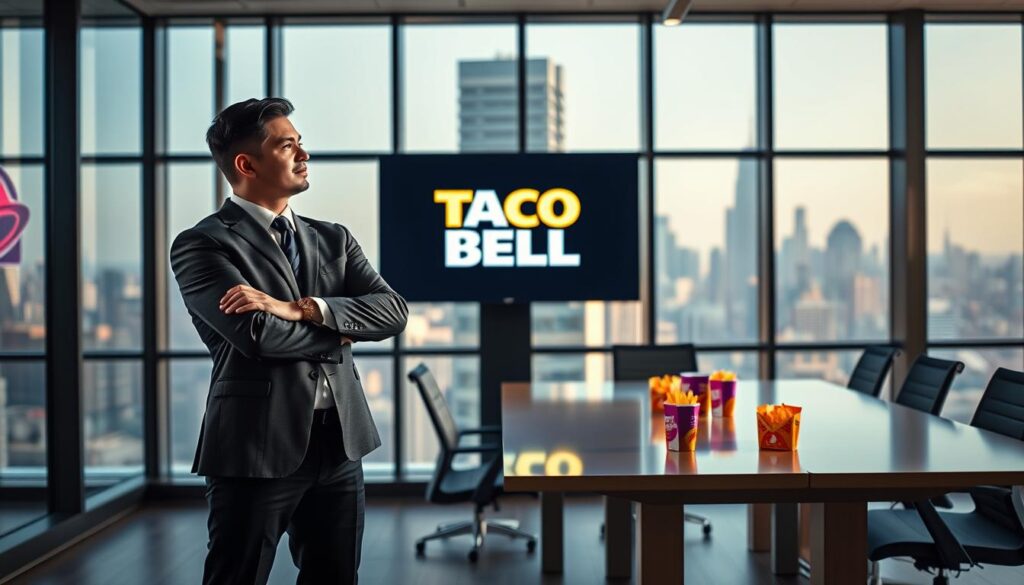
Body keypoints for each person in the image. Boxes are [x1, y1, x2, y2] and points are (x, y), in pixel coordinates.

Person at [170, 97, 407, 585]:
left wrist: (302, 308)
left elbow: (393, 312)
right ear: (246, 164)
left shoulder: (334, 239)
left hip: (340, 444)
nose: (304, 154)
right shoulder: (203, 243)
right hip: (255, 446)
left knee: (335, 577)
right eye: (287, 145)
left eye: (300, 143)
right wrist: (342, 333)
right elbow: (258, 336)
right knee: (236, 577)